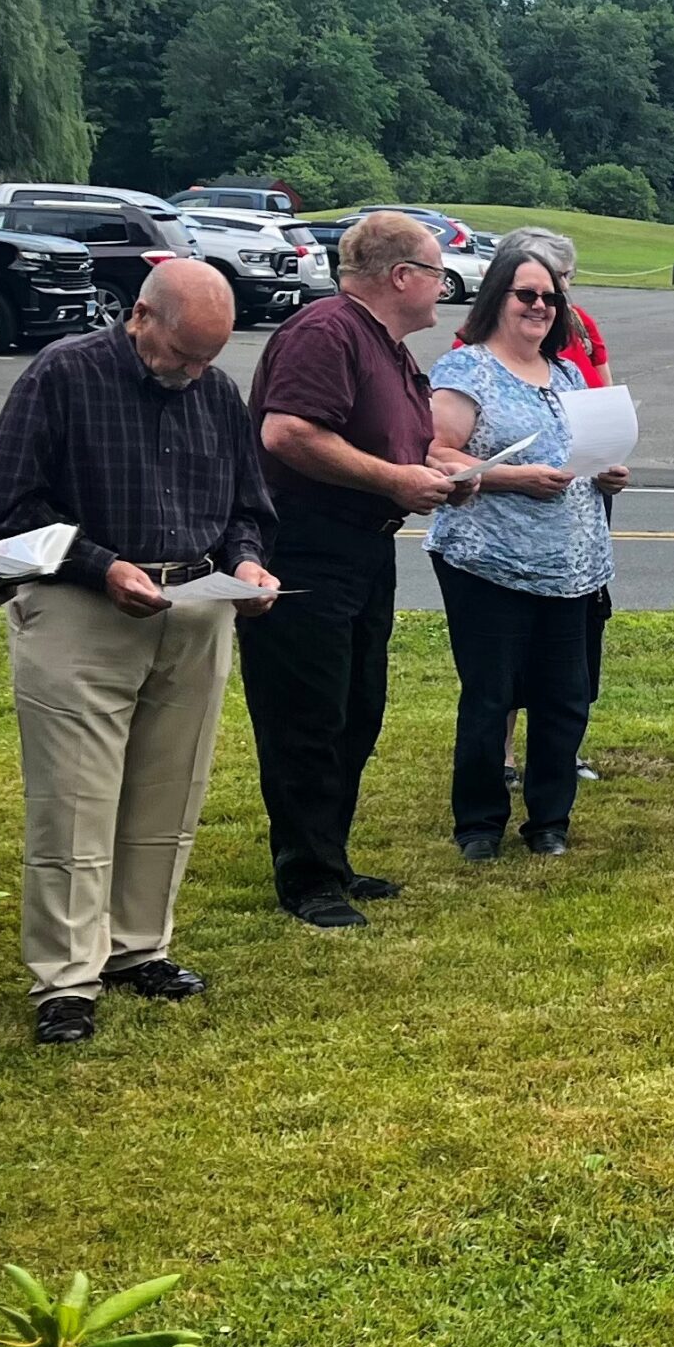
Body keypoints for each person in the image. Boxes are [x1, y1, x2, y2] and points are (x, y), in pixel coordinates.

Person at [0, 260, 278, 1046]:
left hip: (194, 604)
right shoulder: (65, 373)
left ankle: (138, 945)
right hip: (84, 609)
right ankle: (66, 979)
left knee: (167, 791)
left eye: (210, 357)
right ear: (140, 316)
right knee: (75, 801)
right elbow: (7, 501)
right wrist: (101, 564)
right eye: (183, 353)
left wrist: (245, 561)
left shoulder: (214, 391)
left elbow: (248, 504)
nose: (194, 372)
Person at [238, 212, 467, 928]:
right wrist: (395, 482)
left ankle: (330, 858)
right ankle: (306, 879)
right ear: (401, 277)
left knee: (356, 710)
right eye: (435, 273)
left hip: (364, 547)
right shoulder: (327, 331)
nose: (443, 288)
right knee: (307, 714)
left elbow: (402, 444)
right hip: (305, 545)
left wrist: (455, 472)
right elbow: (289, 432)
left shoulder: (388, 348)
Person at [425, 244, 626, 860]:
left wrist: (605, 473)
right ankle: (480, 824)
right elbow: (435, 453)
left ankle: (549, 822)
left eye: (549, 297)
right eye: (526, 295)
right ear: (497, 300)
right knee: (490, 696)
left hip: (572, 567)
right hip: (490, 562)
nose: (540, 306)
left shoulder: (566, 375)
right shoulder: (466, 370)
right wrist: (514, 478)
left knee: (563, 698)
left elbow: (581, 454)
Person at [479, 226, 611, 789]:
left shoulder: (580, 328)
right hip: (513, 525)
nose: (550, 300)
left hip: (581, 494)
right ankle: (504, 753)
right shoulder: (480, 345)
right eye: (535, 289)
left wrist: (609, 450)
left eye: (559, 287)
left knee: (576, 641)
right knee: (510, 651)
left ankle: (560, 750)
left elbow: (601, 395)